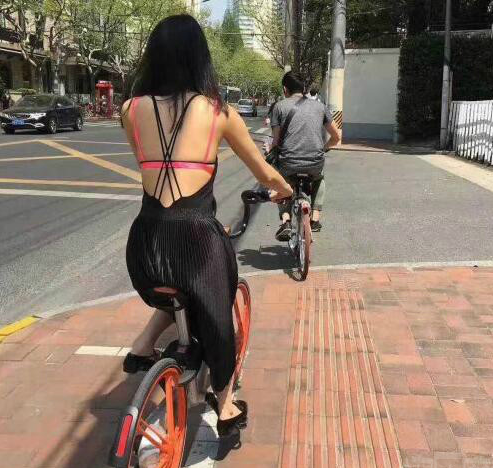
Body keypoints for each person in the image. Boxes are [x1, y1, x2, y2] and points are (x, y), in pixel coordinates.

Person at [120, 15, 293, 438]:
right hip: (197, 240)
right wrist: (285, 190)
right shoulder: (218, 111)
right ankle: (227, 403)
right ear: (200, 57)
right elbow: (264, 173)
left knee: (176, 290)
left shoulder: (129, 110)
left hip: (145, 246)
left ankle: (142, 347)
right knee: (217, 319)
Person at [271, 72, 340, 239]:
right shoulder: (320, 107)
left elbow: (276, 141)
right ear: (304, 88)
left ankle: (286, 220)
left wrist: (270, 150)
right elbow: (336, 137)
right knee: (319, 179)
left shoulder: (279, 107)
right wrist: (323, 149)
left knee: (281, 181)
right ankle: (315, 218)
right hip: (315, 162)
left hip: (288, 163)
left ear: (285, 89)